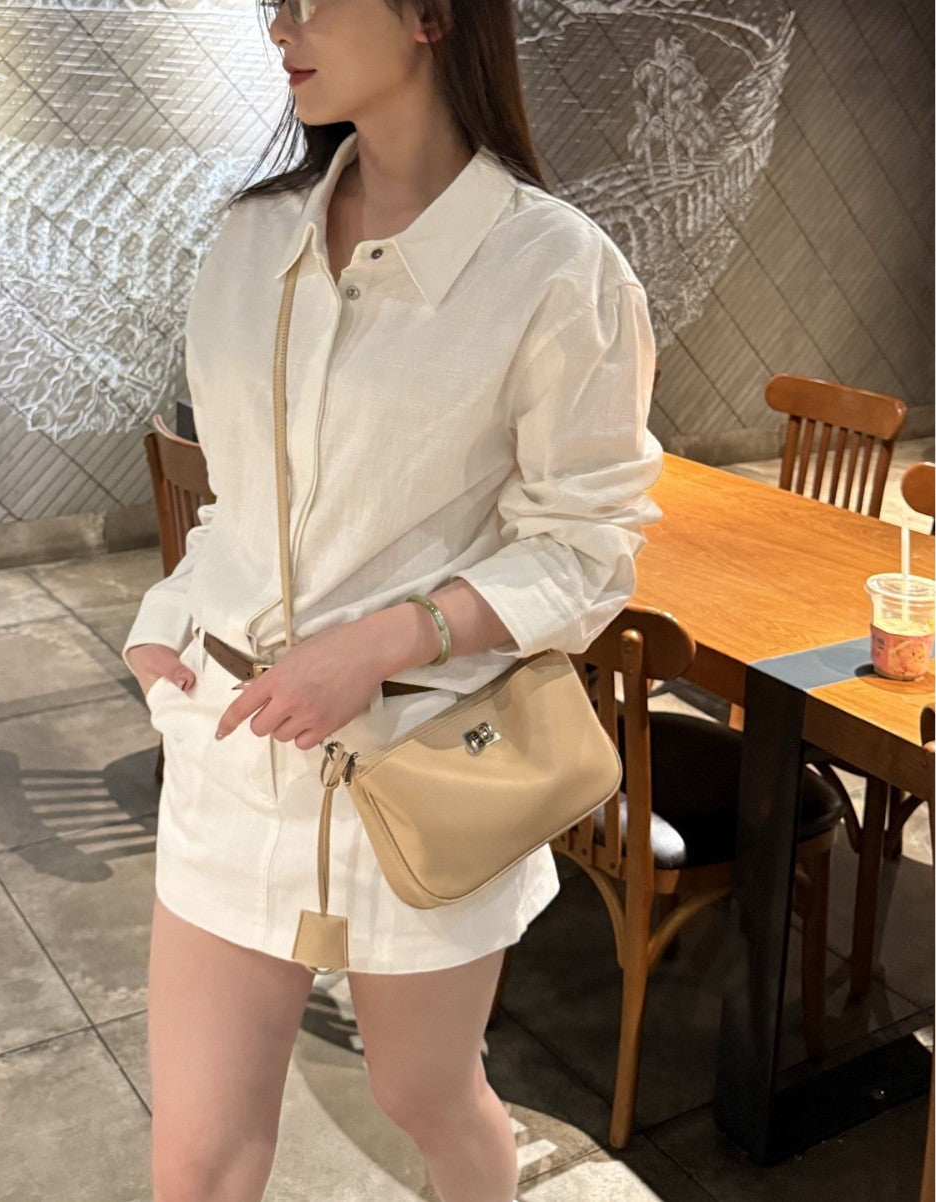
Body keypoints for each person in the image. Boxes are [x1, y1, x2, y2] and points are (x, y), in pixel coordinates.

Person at [122, 2, 662, 1199]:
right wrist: (166, 621)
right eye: (273, 0)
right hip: (233, 751)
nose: (281, 27)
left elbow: (585, 548)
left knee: (425, 1094)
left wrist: (382, 640)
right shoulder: (249, 240)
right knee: (194, 1161)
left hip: (422, 768)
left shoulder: (554, 269)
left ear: (429, 14)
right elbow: (236, 505)